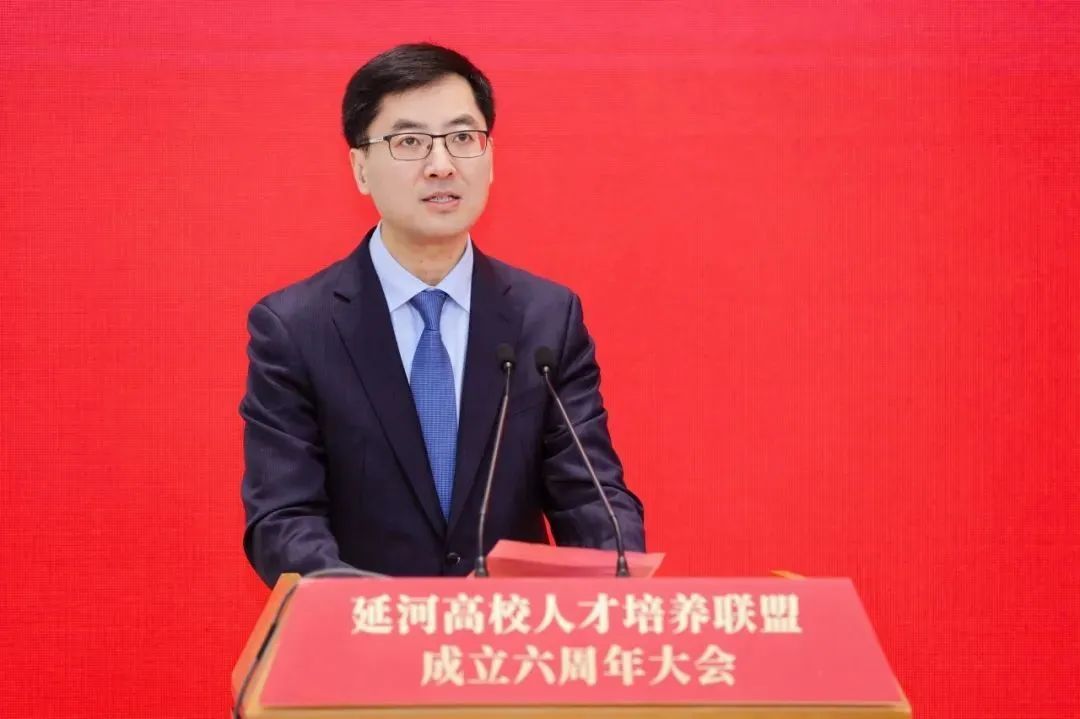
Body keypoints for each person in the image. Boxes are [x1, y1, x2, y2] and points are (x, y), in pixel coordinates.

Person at [240, 43, 645, 586]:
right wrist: (384, 614)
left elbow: (589, 496)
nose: (441, 165)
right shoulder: (295, 328)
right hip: (365, 631)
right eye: (409, 142)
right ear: (360, 168)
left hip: (506, 634)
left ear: (490, 156)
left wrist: (618, 581)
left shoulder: (546, 318)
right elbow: (284, 519)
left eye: (462, 138)